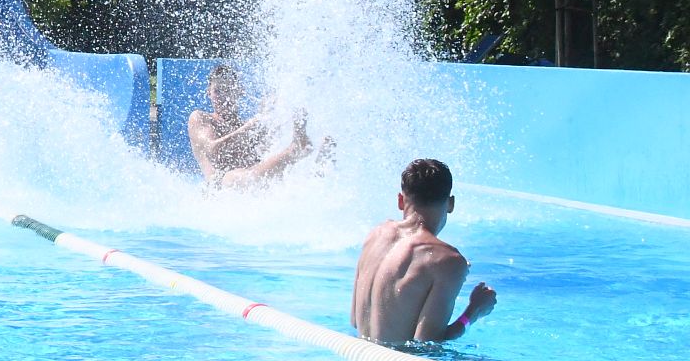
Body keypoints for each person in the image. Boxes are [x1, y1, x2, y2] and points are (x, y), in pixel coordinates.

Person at [351, 158, 498, 344]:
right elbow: (427, 345)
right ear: (451, 203)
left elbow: (355, 321)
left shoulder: (375, 235)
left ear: (400, 200)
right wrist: (473, 312)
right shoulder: (448, 261)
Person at [187, 64, 319, 189]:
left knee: (282, 177)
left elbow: (266, 150)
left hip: (252, 187)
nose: (224, 96)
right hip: (220, 189)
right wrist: (249, 127)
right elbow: (213, 150)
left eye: (229, 90)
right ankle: (295, 150)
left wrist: (274, 115)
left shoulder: (249, 127)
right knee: (231, 178)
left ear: (239, 92)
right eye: (218, 91)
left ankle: (319, 171)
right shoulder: (201, 118)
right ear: (208, 92)